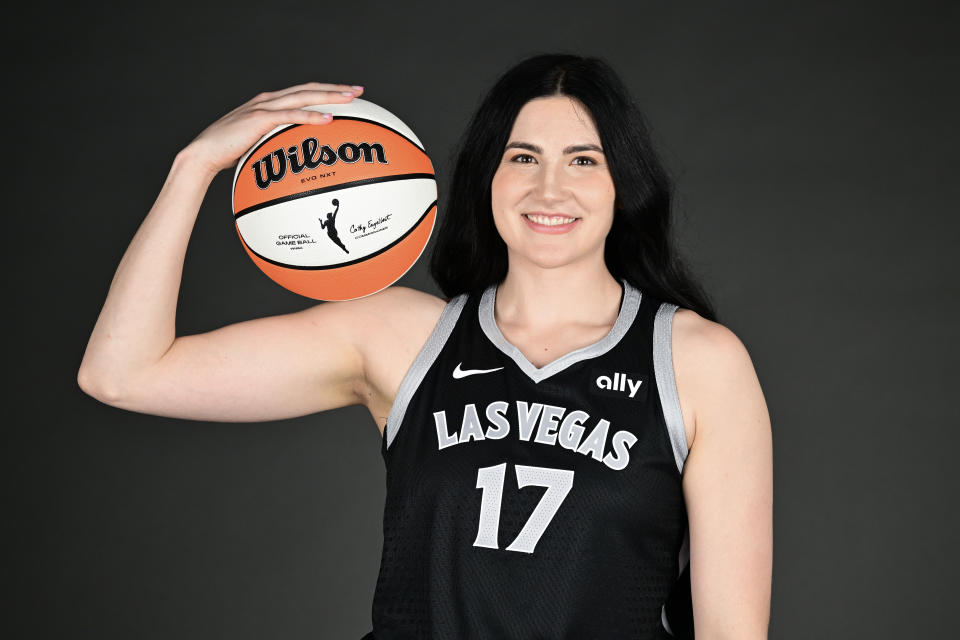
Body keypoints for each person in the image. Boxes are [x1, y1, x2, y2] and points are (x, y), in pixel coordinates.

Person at [78, 54, 772, 639]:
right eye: (522, 157)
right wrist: (194, 166)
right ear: (487, 178)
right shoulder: (403, 336)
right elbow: (123, 372)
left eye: (583, 160)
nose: (548, 187)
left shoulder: (695, 362)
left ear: (622, 183)